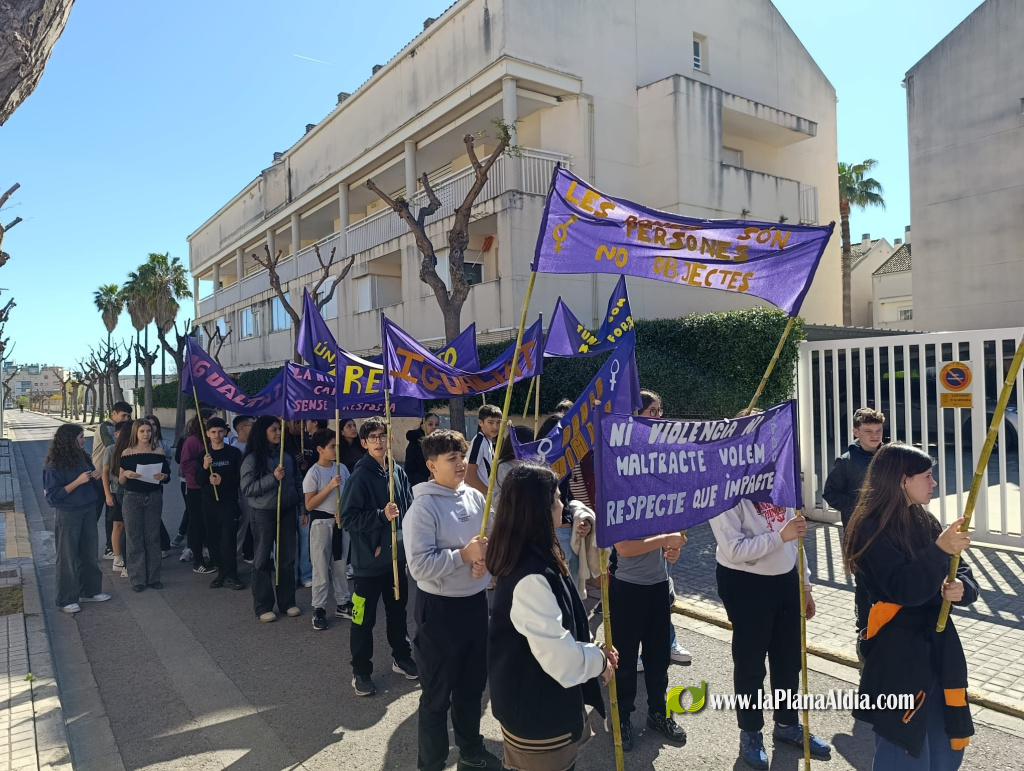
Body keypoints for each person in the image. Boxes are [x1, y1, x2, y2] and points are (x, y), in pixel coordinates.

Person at [845, 443, 977, 770]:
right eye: (928, 476)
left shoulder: (922, 517)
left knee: (942, 744)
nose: (934, 483)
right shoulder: (868, 527)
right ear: (903, 480)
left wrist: (963, 588)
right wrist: (938, 550)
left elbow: (958, 567)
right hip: (899, 654)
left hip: (938, 650)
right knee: (904, 748)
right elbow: (905, 590)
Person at [710, 429, 832, 767]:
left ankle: (787, 724)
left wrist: (804, 586)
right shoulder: (726, 491)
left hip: (785, 583)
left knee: (788, 659)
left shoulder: (780, 482)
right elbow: (734, 550)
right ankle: (750, 731)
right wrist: (780, 537)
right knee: (750, 664)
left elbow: (796, 542)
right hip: (746, 585)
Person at [487, 461, 615, 771]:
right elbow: (559, 657)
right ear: (538, 510)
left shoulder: (532, 551)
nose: (563, 505)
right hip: (537, 715)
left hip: (537, 704)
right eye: (557, 498)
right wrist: (598, 660)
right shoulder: (530, 576)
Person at [405, 429, 501, 771]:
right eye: (452, 459)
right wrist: (463, 556)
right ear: (432, 465)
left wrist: (484, 562)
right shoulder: (422, 508)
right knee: (436, 694)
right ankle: (431, 762)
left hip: (475, 606)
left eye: (462, 457)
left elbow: (484, 543)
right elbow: (419, 566)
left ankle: (471, 750)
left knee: (471, 687)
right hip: (440, 611)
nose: (461, 464)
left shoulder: (475, 498)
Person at [339, 416, 417, 696]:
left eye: (382, 435)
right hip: (368, 564)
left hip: (397, 558)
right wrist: (379, 516)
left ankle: (401, 655)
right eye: (372, 437)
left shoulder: (397, 469)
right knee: (363, 618)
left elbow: (408, 505)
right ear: (363, 443)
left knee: (397, 611)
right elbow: (347, 518)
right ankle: (360, 671)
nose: (379, 441)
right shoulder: (360, 476)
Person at [610, 514, 688, 751]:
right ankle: (621, 718)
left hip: (658, 584)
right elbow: (623, 548)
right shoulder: (620, 496)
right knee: (624, 659)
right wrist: (665, 539)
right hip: (626, 585)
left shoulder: (660, 498)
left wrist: (674, 549)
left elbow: (672, 543)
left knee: (658, 657)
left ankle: (657, 713)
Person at [824, 406, 886, 635]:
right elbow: (830, 493)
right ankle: (864, 629)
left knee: (887, 579)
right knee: (864, 583)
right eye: (868, 430)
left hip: (888, 530)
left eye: (878, 430)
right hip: (859, 533)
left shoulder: (890, 456)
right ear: (855, 432)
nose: (875, 435)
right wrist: (860, 509)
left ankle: (887, 626)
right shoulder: (846, 461)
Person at [241, 416, 303, 622]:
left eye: (279, 429)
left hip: (287, 509)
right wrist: (272, 478)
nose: (278, 433)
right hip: (264, 513)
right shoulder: (251, 459)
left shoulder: (286, 456)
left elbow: (297, 482)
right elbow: (248, 489)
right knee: (261, 559)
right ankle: (263, 605)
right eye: (273, 429)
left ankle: (287, 602)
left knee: (287, 559)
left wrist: (302, 508)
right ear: (262, 432)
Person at [43, 424, 110, 613]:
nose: (84, 440)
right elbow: (52, 496)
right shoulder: (54, 465)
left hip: (87, 509)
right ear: (69, 440)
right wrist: (77, 482)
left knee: (89, 553)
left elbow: (92, 484)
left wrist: (96, 477)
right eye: (81, 437)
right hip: (68, 513)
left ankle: (90, 590)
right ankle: (66, 598)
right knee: (67, 556)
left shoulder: (83, 458)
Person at [303, 428, 352, 630]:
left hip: (340, 523)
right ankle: (319, 608)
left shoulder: (342, 468)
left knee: (340, 566)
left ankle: (342, 602)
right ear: (320, 449)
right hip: (321, 524)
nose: (335, 450)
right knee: (321, 568)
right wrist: (330, 487)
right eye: (332, 447)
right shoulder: (313, 473)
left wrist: (345, 510)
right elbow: (309, 504)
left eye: (337, 446)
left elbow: (349, 493)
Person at [117, 419, 171, 592]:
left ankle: (154, 577)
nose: (146, 434)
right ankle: (137, 578)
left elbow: (167, 476)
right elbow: (121, 480)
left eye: (148, 431)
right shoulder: (127, 452)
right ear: (135, 433)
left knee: (152, 536)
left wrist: (163, 476)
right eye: (142, 431)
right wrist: (126, 473)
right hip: (132, 496)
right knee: (134, 536)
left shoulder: (159, 451)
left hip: (154, 495)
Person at [195, 417, 245, 591]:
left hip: (228, 502)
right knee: (213, 540)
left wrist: (223, 480)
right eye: (213, 432)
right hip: (209, 503)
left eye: (220, 431)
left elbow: (240, 478)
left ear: (225, 432)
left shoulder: (233, 453)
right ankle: (221, 573)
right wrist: (204, 466)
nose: (217, 435)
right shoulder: (204, 455)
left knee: (227, 540)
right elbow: (198, 480)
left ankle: (232, 574)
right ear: (207, 434)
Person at [92, 401, 132, 559]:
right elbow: (113, 446)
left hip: (113, 478)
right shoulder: (105, 427)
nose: (126, 418)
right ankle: (86, 549)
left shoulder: (122, 427)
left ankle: (110, 548)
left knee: (112, 515)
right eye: (123, 415)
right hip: (100, 476)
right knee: (95, 513)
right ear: (113, 413)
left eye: (128, 416)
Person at [179, 411, 215, 572]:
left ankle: (212, 553)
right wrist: (204, 468)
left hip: (213, 487)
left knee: (211, 522)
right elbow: (185, 465)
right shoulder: (192, 442)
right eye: (210, 421)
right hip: (196, 487)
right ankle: (197, 558)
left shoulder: (215, 440)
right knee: (197, 522)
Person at [286, 419, 314, 587]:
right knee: (290, 538)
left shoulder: (308, 440)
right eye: (294, 422)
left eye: (301, 422)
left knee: (305, 536)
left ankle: (306, 574)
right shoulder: (283, 443)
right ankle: (290, 576)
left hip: (307, 494)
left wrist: (305, 464)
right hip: (289, 495)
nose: (298, 426)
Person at [102, 420, 132, 577]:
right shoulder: (111, 449)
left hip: (132, 492)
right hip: (115, 491)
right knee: (118, 525)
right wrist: (107, 494)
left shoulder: (136, 448)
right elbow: (105, 473)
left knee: (130, 526)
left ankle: (129, 558)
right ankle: (118, 558)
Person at [144, 414, 173, 555]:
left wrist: (161, 473)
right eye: (147, 425)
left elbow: (167, 464)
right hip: (140, 485)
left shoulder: (163, 445)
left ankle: (163, 545)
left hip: (156, 484)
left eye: (153, 425)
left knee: (154, 515)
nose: (150, 428)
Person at [466, 405, 501, 497]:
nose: (495, 427)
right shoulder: (479, 441)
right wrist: (490, 495)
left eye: (498, 422)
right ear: (480, 423)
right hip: (478, 497)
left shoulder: (488, 440)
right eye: (491, 422)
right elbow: (468, 476)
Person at [404, 412, 440, 488]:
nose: (434, 427)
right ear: (423, 426)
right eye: (430, 424)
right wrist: (426, 480)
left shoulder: (440, 444)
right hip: (421, 488)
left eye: (436, 424)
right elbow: (410, 471)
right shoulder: (415, 444)